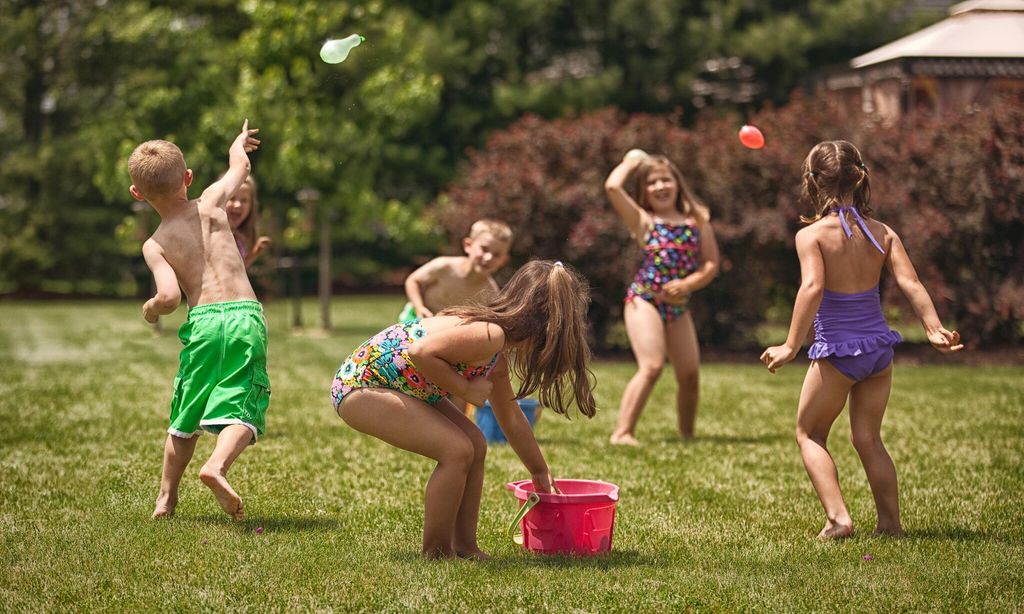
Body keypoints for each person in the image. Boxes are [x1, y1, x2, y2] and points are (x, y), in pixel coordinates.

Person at [761, 140, 963, 539]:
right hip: (878, 351)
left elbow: (813, 287)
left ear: (812, 181)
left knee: (809, 434)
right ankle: (891, 525)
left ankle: (839, 519)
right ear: (860, 177)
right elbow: (910, 282)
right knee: (869, 439)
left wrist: (790, 345)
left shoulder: (813, 236)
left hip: (839, 352)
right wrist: (933, 328)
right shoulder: (883, 232)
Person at [332, 260, 596, 559]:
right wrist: (466, 389)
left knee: (476, 444)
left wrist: (539, 471)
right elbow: (421, 352)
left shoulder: (496, 352)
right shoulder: (489, 334)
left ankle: (465, 546)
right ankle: (437, 552)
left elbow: (510, 416)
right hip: (362, 385)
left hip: (404, 386)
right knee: (456, 450)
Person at [129, 120, 268, 522]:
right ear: (187, 178)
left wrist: (152, 308)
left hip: (204, 320)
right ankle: (217, 467)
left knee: (185, 414)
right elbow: (240, 169)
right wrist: (238, 144)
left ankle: (165, 500)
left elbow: (171, 297)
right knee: (243, 402)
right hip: (244, 316)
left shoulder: (155, 244)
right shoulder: (210, 202)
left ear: (137, 194)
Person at [605, 150, 720, 445]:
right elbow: (612, 187)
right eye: (652, 182)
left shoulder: (698, 220)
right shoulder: (644, 221)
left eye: (665, 180)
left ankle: (687, 435)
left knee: (690, 374)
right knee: (652, 366)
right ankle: (622, 433)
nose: (660, 187)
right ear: (644, 190)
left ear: (677, 183)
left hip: (679, 305)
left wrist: (688, 284)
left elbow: (710, 263)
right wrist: (631, 163)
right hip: (645, 299)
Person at [399, 219, 512, 322]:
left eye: (497, 255)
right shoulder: (445, 266)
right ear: (468, 245)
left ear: (504, 260)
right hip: (416, 317)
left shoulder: (490, 292)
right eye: (484, 249)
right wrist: (419, 307)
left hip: (444, 331)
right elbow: (413, 280)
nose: (488, 258)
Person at [226, 175, 272, 269]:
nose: (237, 205)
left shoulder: (239, 239)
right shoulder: (210, 236)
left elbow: (237, 270)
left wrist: (254, 253)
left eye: (244, 200)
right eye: (232, 198)